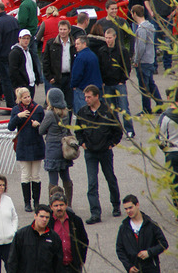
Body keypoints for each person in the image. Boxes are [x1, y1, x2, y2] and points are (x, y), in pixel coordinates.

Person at [75, 85, 123, 224]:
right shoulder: (82, 112)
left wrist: (112, 144)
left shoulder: (108, 112)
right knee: (92, 183)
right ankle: (95, 212)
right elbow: (78, 130)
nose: (86, 99)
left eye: (89, 97)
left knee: (110, 178)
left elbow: (118, 131)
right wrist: (82, 143)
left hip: (105, 152)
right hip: (90, 152)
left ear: (97, 96)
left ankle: (116, 205)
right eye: (85, 97)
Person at [8, 87, 45, 212]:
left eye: (29, 96)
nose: (28, 99)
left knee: (35, 175)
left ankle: (36, 202)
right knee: (25, 175)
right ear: (19, 99)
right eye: (24, 97)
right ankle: (27, 203)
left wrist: (38, 124)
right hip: (23, 146)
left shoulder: (38, 109)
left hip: (37, 145)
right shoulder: (16, 110)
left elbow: (45, 126)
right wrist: (18, 117)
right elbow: (10, 127)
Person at [39, 88, 75, 207]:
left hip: (52, 148)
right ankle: (68, 204)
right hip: (64, 148)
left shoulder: (50, 114)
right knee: (66, 177)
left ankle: (53, 204)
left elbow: (41, 130)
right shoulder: (66, 112)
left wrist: (37, 124)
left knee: (53, 180)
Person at [116, 194, 169, 273]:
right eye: (126, 209)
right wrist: (129, 266)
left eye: (130, 207)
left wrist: (149, 252)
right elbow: (120, 249)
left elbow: (163, 244)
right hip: (135, 269)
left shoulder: (151, 225)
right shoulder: (124, 228)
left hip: (151, 268)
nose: (128, 211)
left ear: (137, 205)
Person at [99, 27, 134, 138]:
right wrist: (102, 81)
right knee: (111, 109)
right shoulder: (102, 51)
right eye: (106, 38)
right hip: (107, 83)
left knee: (124, 107)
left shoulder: (122, 50)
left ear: (114, 37)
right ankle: (115, 130)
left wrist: (122, 80)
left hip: (119, 83)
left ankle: (129, 130)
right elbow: (100, 67)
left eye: (110, 38)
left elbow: (127, 67)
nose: (108, 40)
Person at [7, 204, 63, 273]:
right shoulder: (21, 235)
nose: (44, 219)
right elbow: (13, 260)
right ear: (35, 216)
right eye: (41, 216)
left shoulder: (54, 238)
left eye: (47, 217)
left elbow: (58, 264)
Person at [130, 5, 162, 114]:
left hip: (143, 62)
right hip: (150, 59)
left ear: (134, 13)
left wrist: (136, 60)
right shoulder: (150, 26)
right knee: (151, 84)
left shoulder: (141, 29)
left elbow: (140, 47)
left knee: (144, 86)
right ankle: (160, 104)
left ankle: (146, 109)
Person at [47, 191, 88, 273]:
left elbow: (84, 241)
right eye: (56, 206)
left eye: (61, 205)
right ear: (51, 207)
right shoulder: (47, 223)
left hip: (73, 266)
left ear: (66, 205)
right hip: (55, 268)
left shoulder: (76, 220)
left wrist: (80, 260)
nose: (59, 208)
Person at [0, 1, 19, 110]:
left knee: (5, 82)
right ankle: (17, 104)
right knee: (14, 81)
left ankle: (10, 106)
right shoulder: (13, 20)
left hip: (2, 57)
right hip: (14, 56)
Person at [43, 20, 75, 111]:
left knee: (69, 104)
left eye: (64, 29)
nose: (62, 31)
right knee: (56, 105)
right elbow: (45, 61)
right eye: (60, 29)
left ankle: (67, 124)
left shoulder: (74, 43)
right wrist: (49, 77)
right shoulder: (51, 43)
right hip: (56, 78)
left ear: (69, 30)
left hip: (69, 78)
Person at [69, 36, 103, 113]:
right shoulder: (93, 55)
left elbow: (77, 74)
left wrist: (73, 85)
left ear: (84, 44)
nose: (75, 46)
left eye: (78, 44)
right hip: (96, 88)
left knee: (82, 113)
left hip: (83, 89)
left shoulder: (80, 57)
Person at [9, 29, 41, 98]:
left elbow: (33, 66)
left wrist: (36, 77)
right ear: (19, 39)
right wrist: (21, 83)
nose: (26, 40)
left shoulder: (30, 51)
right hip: (22, 86)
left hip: (31, 84)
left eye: (28, 38)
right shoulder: (15, 52)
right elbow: (13, 71)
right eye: (23, 38)